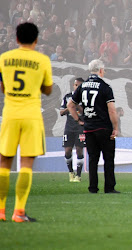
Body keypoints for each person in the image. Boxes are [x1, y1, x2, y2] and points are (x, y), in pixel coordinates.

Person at [0, 22, 53, 222]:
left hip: (10, 114)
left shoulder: (4, 58)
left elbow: (3, 87)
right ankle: (19, 212)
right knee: (26, 164)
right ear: (36, 39)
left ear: (16, 39)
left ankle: (1, 210)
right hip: (31, 115)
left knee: (4, 162)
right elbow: (47, 89)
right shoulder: (42, 60)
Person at [67, 59, 119, 194]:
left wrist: (79, 119)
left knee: (93, 159)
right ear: (101, 70)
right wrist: (116, 127)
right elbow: (112, 110)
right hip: (104, 127)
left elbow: (70, 105)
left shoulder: (82, 87)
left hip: (89, 128)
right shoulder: (105, 87)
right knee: (108, 158)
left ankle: (93, 188)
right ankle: (109, 188)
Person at [60, 78, 86, 182]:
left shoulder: (85, 98)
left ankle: (78, 175)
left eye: (79, 85)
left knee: (79, 150)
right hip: (69, 127)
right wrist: (70, 106)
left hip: (80, 127)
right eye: (75, 85)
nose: (76, 87)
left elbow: (85, 112)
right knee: (67, 151)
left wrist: (77, 105)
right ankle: (71, 172)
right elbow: (61, 112)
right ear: (73, 85)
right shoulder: (67, 97)